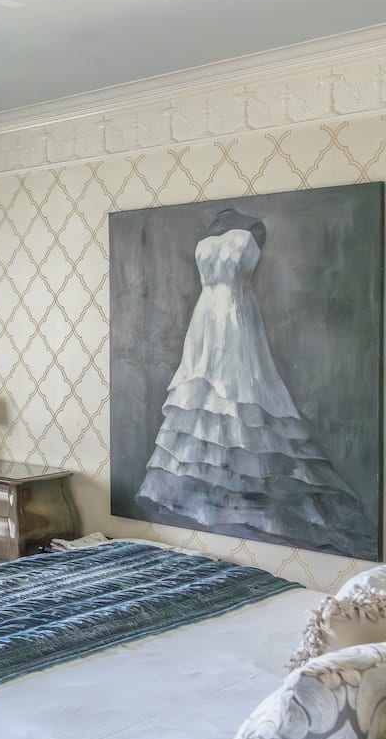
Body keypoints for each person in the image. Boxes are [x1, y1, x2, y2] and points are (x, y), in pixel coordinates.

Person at [135, 207, 373, 558]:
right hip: (204, 318)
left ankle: (246, 487)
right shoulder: (215, 224)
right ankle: (212, 487)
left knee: (240, 392)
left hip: (236, 314)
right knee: (201, 393)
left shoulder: (254, 227)